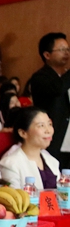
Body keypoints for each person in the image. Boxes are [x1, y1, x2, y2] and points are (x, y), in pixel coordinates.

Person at [30, 32, 70, 169]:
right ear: (47, 55)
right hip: (53, 139)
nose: (66, 53)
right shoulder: (40, 77)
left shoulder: (65, 76)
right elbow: (58, 89)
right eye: (62, 49)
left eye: (68, 49)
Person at [0, 107, 60, 189]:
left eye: (49, 124)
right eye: (41, 126)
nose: (48, 130)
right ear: (23, 133)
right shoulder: (10, 164)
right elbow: (13, 196)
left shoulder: (52, 161)